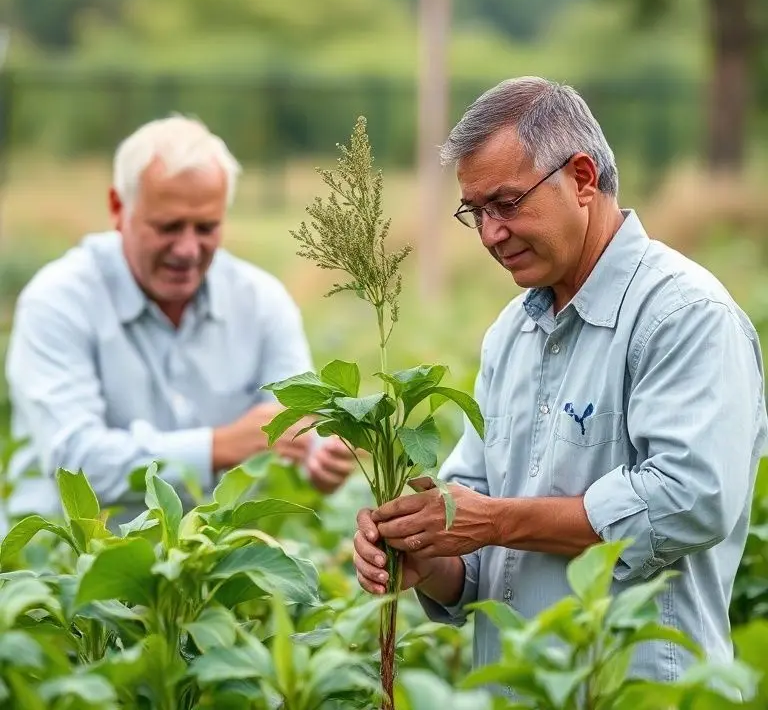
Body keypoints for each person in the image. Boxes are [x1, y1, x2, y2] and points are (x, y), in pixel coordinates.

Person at [353, 77, 768, 688]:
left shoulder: (682, 314)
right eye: (476, 212)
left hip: (638, 693)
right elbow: (477, 557)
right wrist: (425, 551)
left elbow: (692, 499)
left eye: (508, 203)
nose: (492, 233)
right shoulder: (510, 335)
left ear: (580, 178)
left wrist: (496, 520)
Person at [4, 115, 355, 527]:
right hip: (63, 573)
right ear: (118, 208)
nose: (188, 249)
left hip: (207, 568)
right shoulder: (59, 301)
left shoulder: (261, 302)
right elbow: (76, 462)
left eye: (206, 227)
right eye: (168, 227)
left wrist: (318, 457)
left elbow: (295, 422)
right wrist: (217, 447)